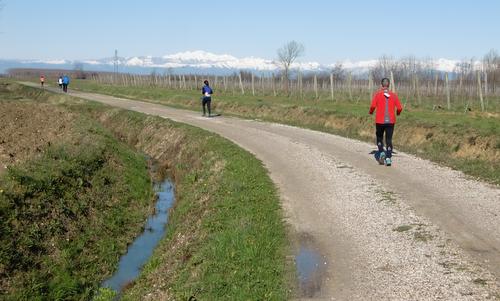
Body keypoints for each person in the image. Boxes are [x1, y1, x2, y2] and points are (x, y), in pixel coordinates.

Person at [369, 78, 402, 166]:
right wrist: (398, 113)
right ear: (389, 85)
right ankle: (388, 158)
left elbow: (372, 106)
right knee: (389, 139)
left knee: (379, 137)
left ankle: (381, 152)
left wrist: (371, 112)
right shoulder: (394, 95)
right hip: (391, 121)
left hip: (379, 121)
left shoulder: (377, 94)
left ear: (381, 85)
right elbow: (399, 108)